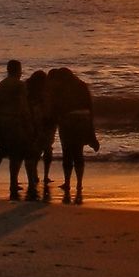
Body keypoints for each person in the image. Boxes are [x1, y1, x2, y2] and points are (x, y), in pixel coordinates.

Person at [48, 67, 99, 202]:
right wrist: (91, 130)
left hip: (68, 122)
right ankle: (79, 183)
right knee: (78, 152)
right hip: (83, 121)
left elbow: (56, 107)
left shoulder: (61, 89)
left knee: (67, 152)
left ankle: (67, 182)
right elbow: (90, 107)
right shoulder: (82, 86)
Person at [0, 60, 31, 199]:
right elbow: (23, 105)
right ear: (18, 70)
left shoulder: (1, 85)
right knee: (17, 151)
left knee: (3, 148)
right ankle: (13, 183)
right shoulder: (19, 85)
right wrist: (28, 122)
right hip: (11, 120)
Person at [24, 69, 57, 198]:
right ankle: (40, 176)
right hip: (43, 123)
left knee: (35, 151)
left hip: (39, 123)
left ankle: (34, 177)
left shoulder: (30, 90)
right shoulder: (43, 91)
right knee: (42, 149)